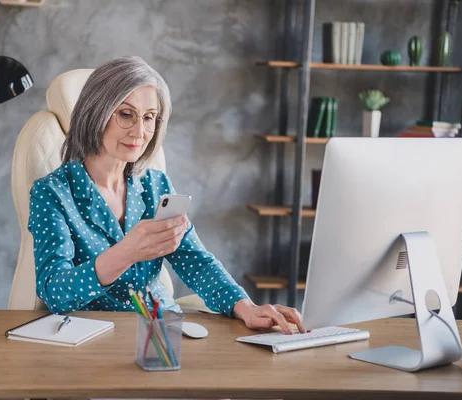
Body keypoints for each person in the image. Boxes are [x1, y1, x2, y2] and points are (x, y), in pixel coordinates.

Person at [28, 56, 305, 334]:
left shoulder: (155, 185)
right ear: (96, 112)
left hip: (161, 333)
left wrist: (246, 306)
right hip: (94, 337)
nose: (140, 132)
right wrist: (126, 253)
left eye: (149, 118)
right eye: (126, 114)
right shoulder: (51, 193)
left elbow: (195, 261)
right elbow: (55, 292)